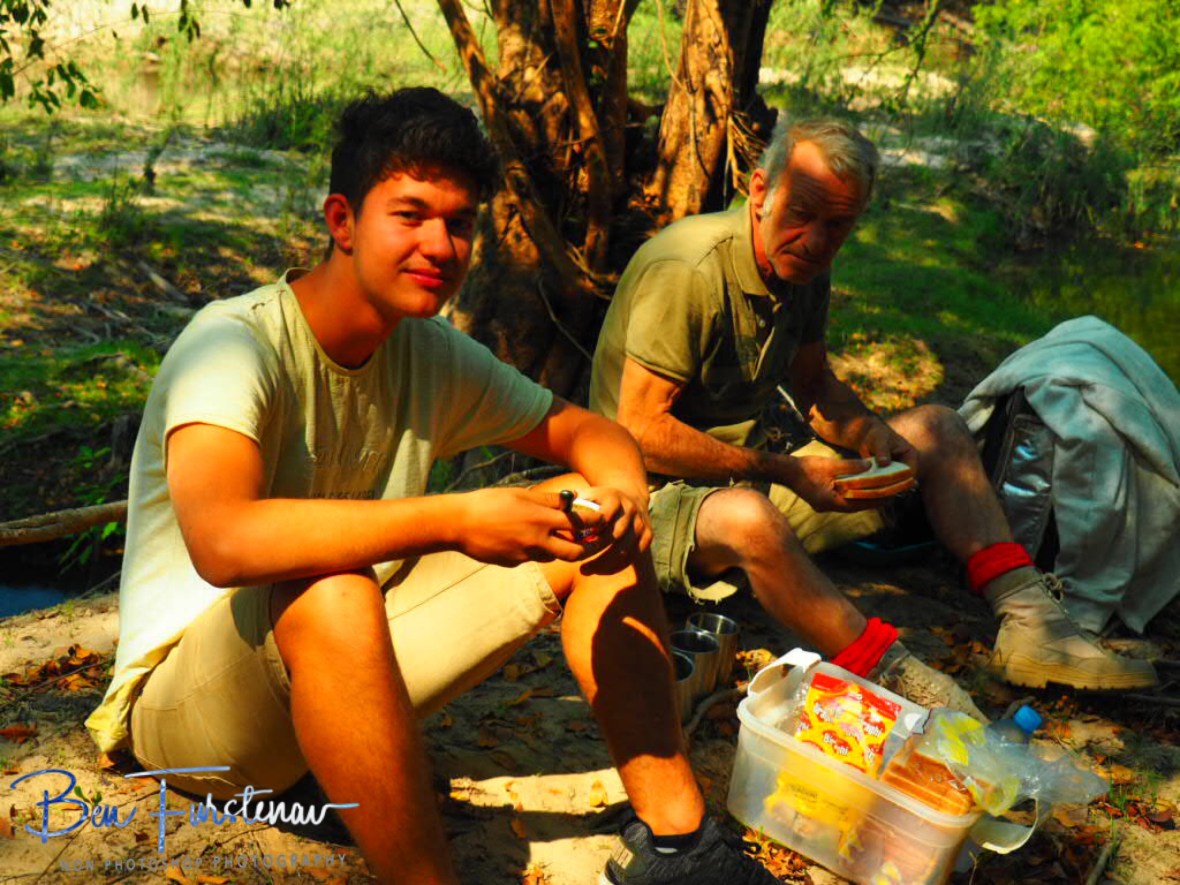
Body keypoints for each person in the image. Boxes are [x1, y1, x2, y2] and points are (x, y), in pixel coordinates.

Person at [86, 89, 779, 885]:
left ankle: (680, 843)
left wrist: (621, 495)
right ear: (342, 221)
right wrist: (455, 517)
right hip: (188, 712)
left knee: (581, 511)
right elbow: (223, 540)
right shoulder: (234, 345)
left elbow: (592, 434)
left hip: (336, 664)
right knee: (332, 588)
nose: (439, 245)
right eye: (410, 215)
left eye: (458, 222)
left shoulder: (426, 351)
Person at [590, 117, 1157, 708]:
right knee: (750, 516)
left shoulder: (801, 263)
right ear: (760, 191)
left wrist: (872, 435)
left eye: (837, 225)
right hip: (643, 507)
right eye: (802, 214)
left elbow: (814, 386)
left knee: (938, 429)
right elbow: (640, 431)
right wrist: (788, 471)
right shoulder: (689, 267)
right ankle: (897, 678)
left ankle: (1033, 622)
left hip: (743, 488)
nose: (816, 240)